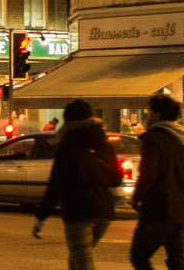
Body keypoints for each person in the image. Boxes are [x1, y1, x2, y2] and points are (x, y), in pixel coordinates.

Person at [33, 99, 123, 270]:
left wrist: (41, 217)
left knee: (82, 262)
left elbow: (56, 184)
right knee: (77, 259)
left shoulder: (67, 145)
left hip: (78, 212)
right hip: (104, 211)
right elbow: (116, 180)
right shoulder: (104, 144)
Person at [131, 95, 184, 270]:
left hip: (159, 209)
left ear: (158, 114)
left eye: (149, 112)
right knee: (177, 261)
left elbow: (148, 174)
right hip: (183, 210)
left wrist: (137, 197)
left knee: (139, 256)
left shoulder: (154, 139)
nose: (148, 116)